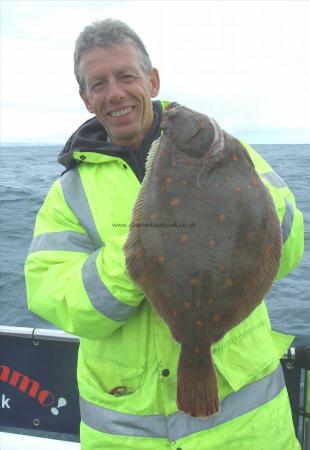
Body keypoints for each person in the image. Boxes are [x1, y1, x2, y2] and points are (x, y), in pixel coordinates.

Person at [24, 19, 304, 450]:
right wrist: (140, 253)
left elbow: (287, 247)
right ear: (85, 98)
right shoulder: (69, 192)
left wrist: (239, 199)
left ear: (152, 81)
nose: (114, 92)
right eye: (98, 83)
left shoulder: (232, 153)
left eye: (126, 76)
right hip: (126, 433)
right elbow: (52, 295)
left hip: (246, 431)